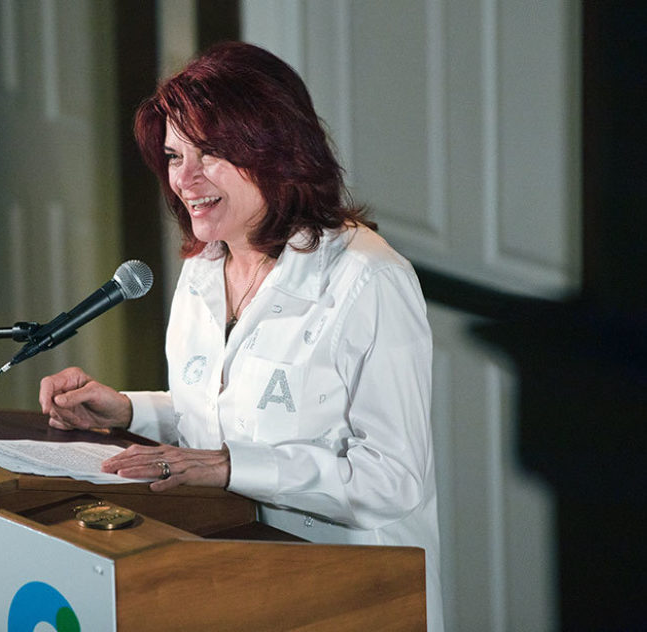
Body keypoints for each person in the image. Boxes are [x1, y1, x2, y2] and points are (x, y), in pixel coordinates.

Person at [39, 41, 443, 630]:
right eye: (175, 156)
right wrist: (127, 409)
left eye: (211, 153)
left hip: (352, 595)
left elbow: (393, 479)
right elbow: (224, 417)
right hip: (228, 571)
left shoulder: (370, 279)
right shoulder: (205, 267)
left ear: (277, 150)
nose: (186, 178)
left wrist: (230, 469)